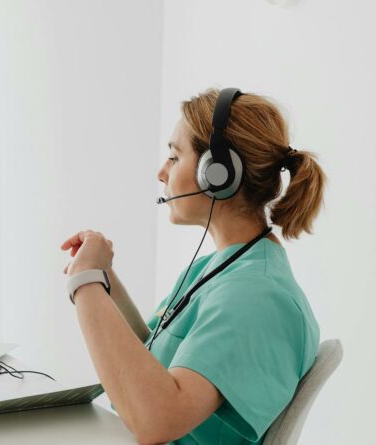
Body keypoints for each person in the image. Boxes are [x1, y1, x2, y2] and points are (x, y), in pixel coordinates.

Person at [60, 87, 326, 444]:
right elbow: (151, 361)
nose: (161, 172)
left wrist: (86, 283)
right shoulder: (222, 267)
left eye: (174, 156)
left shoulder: (254, 297)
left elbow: (156, 419)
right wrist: (105, 278)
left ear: (217, 172)